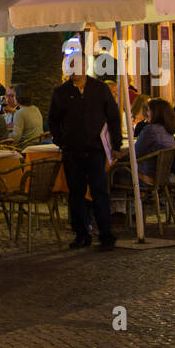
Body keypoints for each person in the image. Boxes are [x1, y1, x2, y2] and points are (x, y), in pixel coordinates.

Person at [48, 63, 122, 251]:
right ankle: (81, 233)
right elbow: (53, 120)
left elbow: (113, 117)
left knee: (99, 192)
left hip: (96, 150)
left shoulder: (99, 89)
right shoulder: (61, 92)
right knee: (76, 194)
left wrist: (116, 144)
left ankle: (106, 234)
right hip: (72, 151)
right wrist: (61, 141)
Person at [113, 98, 175, 188]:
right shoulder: (169, 131)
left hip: (143, 177)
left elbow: (134, 154)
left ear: (156, 113)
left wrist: (117, 160)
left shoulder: (150, 130)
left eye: (149, 110)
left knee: (107, 172)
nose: (147, 113)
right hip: (160, 177)